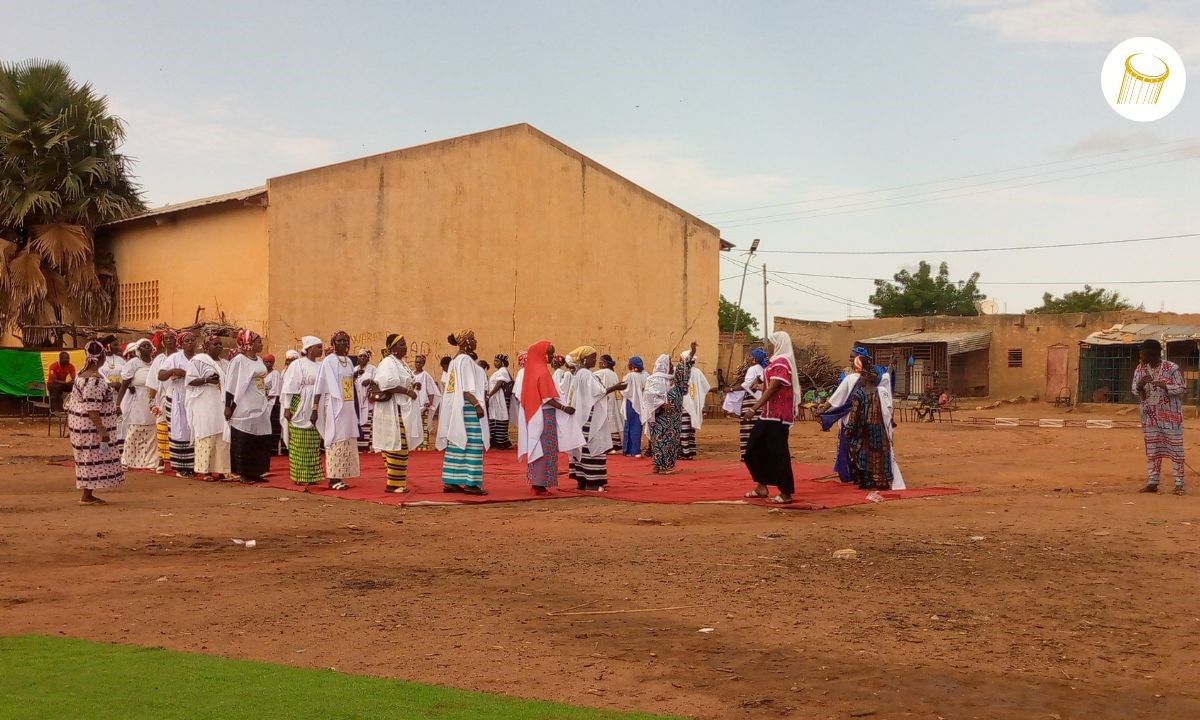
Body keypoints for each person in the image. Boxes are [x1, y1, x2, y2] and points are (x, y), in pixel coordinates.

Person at [820, 346, 906, 489]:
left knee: (856, 450)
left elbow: (840, 401)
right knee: (879, 450)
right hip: (878, 425)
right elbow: (888, 405)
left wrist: (824, 410)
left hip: (856, 422)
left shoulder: (851, 380)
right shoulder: (881, 383)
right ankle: (881, 477)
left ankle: (856, 476)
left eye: (852, 357)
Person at [743, 332, 801, 504]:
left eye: (771, 343)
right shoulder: (776, 362)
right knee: (754, 449)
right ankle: (762, 485)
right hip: (768, 415)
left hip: (778, 416)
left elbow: (774, 388)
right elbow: (771, 386)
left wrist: (754, 408)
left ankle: (786, 492)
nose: (768, 346)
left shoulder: (782, 362)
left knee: (778, 453)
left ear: (778, 344)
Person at [516, 340, 579, 495]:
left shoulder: (532, 371)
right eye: (549, 353)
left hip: (536, 414)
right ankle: (539, 484)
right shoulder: (541, 372)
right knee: (545, 449)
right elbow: (546, 398)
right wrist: (564, 408)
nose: (552, 356)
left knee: (539, 447)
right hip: (545, 416)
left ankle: (538, 483)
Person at [69, 340, 124, 505]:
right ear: (101, 358)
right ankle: (86, 495)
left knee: (88, 457)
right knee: (91, 457)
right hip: (90, 427)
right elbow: (92, 408)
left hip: (80, 424)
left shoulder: (81, 375)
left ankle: (88, 493)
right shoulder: (94, 379)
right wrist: (102, 430)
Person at [437, 330, 490, 495]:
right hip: (468, 408)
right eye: (473, 339)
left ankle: (451, 481)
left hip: (457, 408)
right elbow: (467, 389)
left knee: (457, 442)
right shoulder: (466, 360)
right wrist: (477, 405)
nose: (475, 341)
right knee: (473, 443)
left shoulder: (454, 360)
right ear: (466, 342)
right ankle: (471, 483)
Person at [1133, 339, 1187, 495]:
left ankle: (1179, 484)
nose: (1141, 355)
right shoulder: (1140, 369)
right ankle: (1153, 482)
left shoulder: (1171, 368)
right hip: (1150, 417)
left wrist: (1165, 385)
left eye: (1143, 352)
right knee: (1152, 450)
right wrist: (1140, 386)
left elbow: (1181, 388)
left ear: (1154, 353)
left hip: (1171, 417)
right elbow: (1135, 391)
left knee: (1176, 450)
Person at [371, 334, 424, 493]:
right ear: (392, 348)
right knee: (396, 444)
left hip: (401, 408)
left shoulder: (400, 363)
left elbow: (405, 379)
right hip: (392, 409)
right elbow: (387, 383)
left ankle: (398, 483)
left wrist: (414, 383)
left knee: (401, 445)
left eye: (405, 343)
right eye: (401, 344)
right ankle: (393, 484)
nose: (405, 347)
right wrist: (407, 391)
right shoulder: (388, 362)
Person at [565, 346, 622, 491]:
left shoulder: (580, 374)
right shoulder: (585, 374)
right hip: (589, 417)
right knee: (593, 447)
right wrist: (615, 387)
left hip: (583, 416)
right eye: (592, 357)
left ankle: (582, 480)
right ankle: (593, 482)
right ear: (584, 359)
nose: (595, 360)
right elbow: (597, 392)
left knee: (582, 448)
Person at [315, 331, 361, 490]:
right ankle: (333, 479)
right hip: (334, 405)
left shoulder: (348, 361)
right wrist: (315, 409)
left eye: (345, 341)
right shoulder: (328, 361)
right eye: (339, 341)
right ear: (333, 343)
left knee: (346, 439)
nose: (343, 343)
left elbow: (347, 381)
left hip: (347, 405)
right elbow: (320, 386)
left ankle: (341, 475)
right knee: (335, 439)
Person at [224, 330, 272, 483]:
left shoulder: (258, 360)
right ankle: (244, 473)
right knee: (246, 438)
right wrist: (228, 405)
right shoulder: (239, 360)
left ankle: (256, 471)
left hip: (259, 402)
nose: (261, 344)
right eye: (258, 341)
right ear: (249, 344)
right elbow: (230, 384)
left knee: (260, 437)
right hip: (244, 403)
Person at [185, 334, 231, 481]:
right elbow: (189, 381)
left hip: (221, 403)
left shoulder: (225, 363)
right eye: (215, 344)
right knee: (206, 433)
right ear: (206, 347)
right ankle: (205, 471)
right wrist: (206, 380)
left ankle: (222, 470)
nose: (219, 346)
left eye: (220, 344)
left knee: (222, 435)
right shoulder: (198, 361)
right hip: (204, 403)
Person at [282, 337, 324, 486]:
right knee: (299, 442)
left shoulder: (321, 365)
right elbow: (289, 387)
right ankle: (300, 475)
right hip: (300, 403)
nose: (321, 350)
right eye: (318, 347)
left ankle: (311, 475)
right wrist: (287, 407)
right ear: (310, 349)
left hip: (315, 404)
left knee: (313, 442)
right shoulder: (298, 365)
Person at [159, 331, 198, 477]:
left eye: (192, 340)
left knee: (194, 428)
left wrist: (185, 374)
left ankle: (195, 465)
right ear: (181, 343)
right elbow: (160, 375)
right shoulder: (175, 358)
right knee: (180, 429)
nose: (190, 343)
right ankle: (181, 467)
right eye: (186, 341)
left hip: (195, 398)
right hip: (178, 397)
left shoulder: (200, 359)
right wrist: (173, 371)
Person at [117, 339, 158, 471]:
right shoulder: (133, 363)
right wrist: (118, 404)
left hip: (152, 399)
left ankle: (150, 462)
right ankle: (126, 460)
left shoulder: (156, 363)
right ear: (138, 350)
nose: (147, 348)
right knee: (134, 430)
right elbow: (124, 384)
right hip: (137, 399)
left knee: (151, 431)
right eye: (144, 346)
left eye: (149, 346)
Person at [146, 330, 178, 473]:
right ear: (163, 341)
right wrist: (151, 402)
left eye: (172, 338)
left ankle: (179, 459)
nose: (169, 340)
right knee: (162, 427)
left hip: (180, 398)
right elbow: (153, 381)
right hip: (163, 398)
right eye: (166, 338)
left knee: (179, 428)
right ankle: (161, 459)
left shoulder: (182, 356)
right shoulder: (159, 359)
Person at [734, 349, 768, 460]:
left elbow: (746, 385)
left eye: (750, 356)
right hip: (761, 402)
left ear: (754, 359)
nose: (748, 358)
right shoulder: (765, 370)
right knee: (758, 428)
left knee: (747, 428)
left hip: (750, 402)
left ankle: (747, 454)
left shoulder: (752, 369)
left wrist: (731, 389)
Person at [679, 349, 712, 460]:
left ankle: (685, 453)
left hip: (684, 403)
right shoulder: (698, 372)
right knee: (690, 428)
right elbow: (706, 387)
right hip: (694, 403)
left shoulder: (681, 371)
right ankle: (691, 451)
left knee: (683, 429)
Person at [594, 354, 624, 454]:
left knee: (605, 422)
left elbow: (592, 379)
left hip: (605, 400)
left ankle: (608, 446)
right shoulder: (613, 373)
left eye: (600, 362)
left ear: (605, 363)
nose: (598, 364)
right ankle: (616, 445)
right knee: (613, 422)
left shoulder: (602, 372)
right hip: (614, 401)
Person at [413, 354, 440, 450]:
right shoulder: (411, 374)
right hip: (413, 404)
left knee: (423, 425)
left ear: (423, 363)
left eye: (420, 362)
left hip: (423, 405)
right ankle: (414, 446)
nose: (418, 364)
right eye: (416, 362)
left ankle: (423, 446)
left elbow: (431, 391)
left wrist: (430, 403)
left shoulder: (426, 376)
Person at [486, 354, 514, 449]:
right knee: (495, 418)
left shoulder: (503, 371)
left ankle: (502, 441)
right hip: (495, 399)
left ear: (502, 363)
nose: (495, 363)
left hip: (500, 398)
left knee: (501, 418)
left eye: (497, 361)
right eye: (494, 361)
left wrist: (490, 394)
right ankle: (495, 440)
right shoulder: (499, 371)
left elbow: (499, 383)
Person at [622, 357, 646, 457]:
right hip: (642, 404)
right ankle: (637, 449)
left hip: (630, 403)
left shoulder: (629, 376)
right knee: (638, 426)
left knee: (629, 425)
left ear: (632, 366)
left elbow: (624, 390)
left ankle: (629, 450)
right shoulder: (646, 375)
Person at [354, 349, 377, 453]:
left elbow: (379, 381)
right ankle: (358, 447)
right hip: (356, 401)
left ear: (368, 358)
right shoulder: (354, 369)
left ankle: (367, 447)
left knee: (368, 423)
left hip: (368, 402)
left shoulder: (373, 369)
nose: (363, 358)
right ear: (358, 358)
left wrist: (370, 381)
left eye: (365, 356)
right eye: (361, 356)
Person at [262, 354, 284, 455]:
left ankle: (273, 449)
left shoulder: (275, 374)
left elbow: (275, 389)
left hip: (273, 402)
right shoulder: (261, 374)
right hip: (263, 402)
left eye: (269, 362)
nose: (267, 364)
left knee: (273, 425)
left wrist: (267, 396)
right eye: (265, 362)